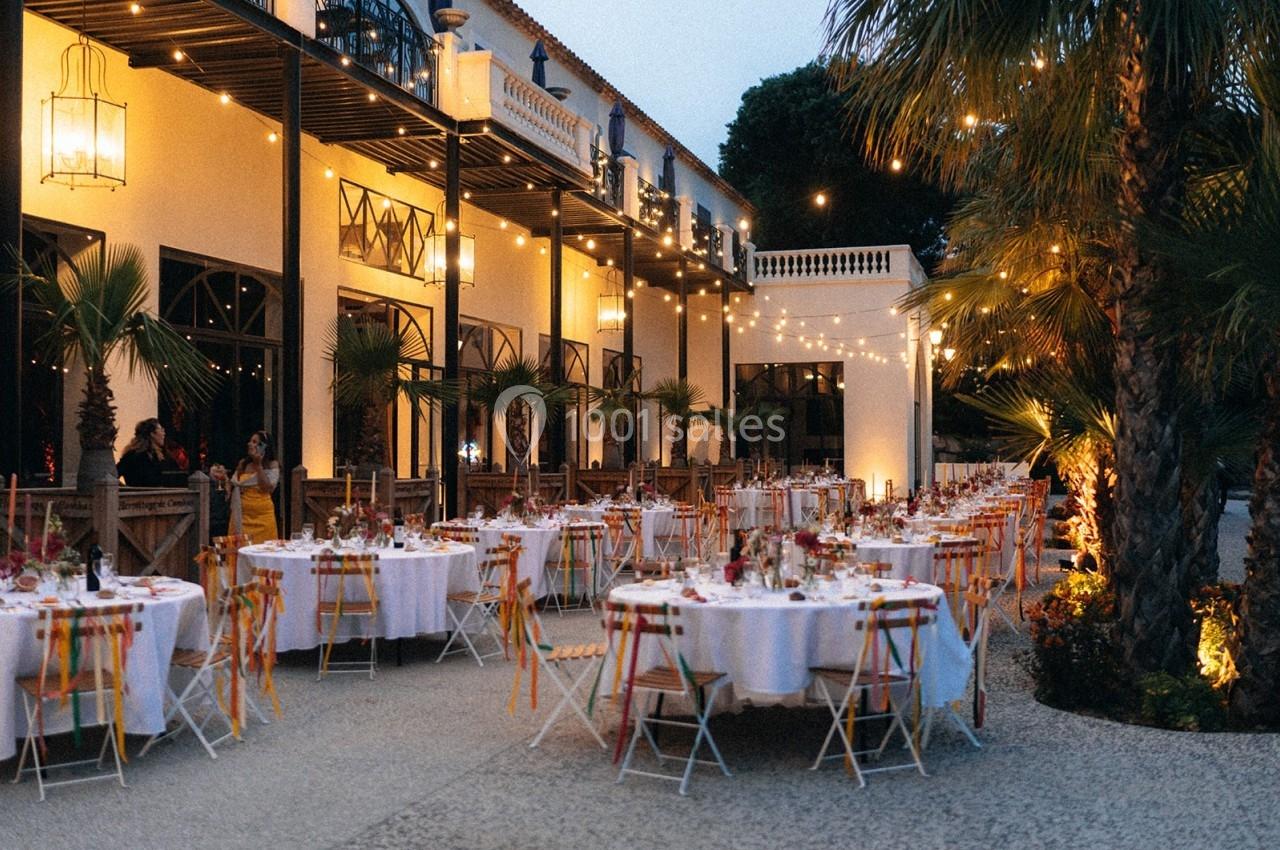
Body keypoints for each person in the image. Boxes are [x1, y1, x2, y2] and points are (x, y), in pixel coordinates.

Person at [212, 431, 280, 543]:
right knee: (240, 547)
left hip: (262, 516)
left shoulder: (272, 464)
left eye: (254, 442)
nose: (249, 444)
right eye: (250, 441)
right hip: (241, 514)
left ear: (263, 447)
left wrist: (258, 465)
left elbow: (268, 489)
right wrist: (225, 479)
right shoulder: (243, 463)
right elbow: (234, 483)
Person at [116, 418, 180, 486]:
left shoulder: (157, 456)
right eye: (161, 429)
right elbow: (114, 474)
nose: (164, 433)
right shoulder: (134, 456)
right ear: (152, 433)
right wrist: (125, 489)